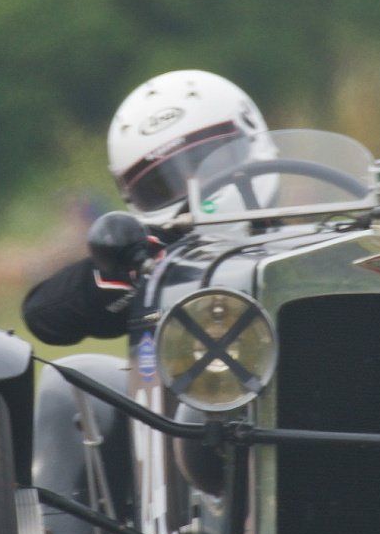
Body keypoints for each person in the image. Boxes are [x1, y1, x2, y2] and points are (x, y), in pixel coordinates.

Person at [22, 70, 274, 346]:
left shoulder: (311, 223)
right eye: (160, 184)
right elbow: (43, 315)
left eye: (208, 162)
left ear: (250, 137)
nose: (193, 188)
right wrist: (134, 271)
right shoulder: (156, 259)